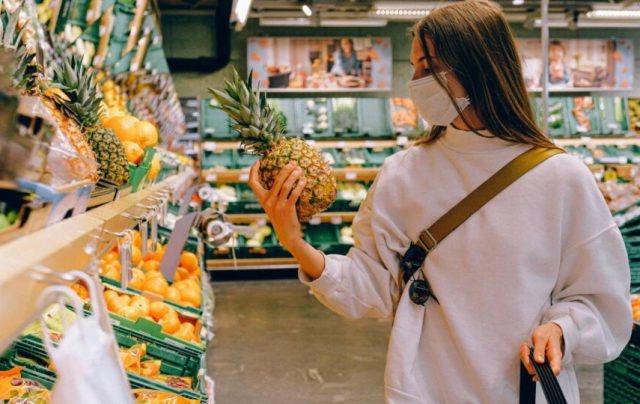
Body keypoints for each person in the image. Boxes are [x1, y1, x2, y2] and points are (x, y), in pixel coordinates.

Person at [248, 0, 632, 402]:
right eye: (414, 68)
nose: (414, 82)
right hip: (424, 392)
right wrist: (296, 243)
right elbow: (374, 287)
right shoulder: (404, 173)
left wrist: (562, 329)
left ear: (478, 68)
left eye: (428, 68)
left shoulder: (560, 178)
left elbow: (601, 300)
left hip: (522, 391)